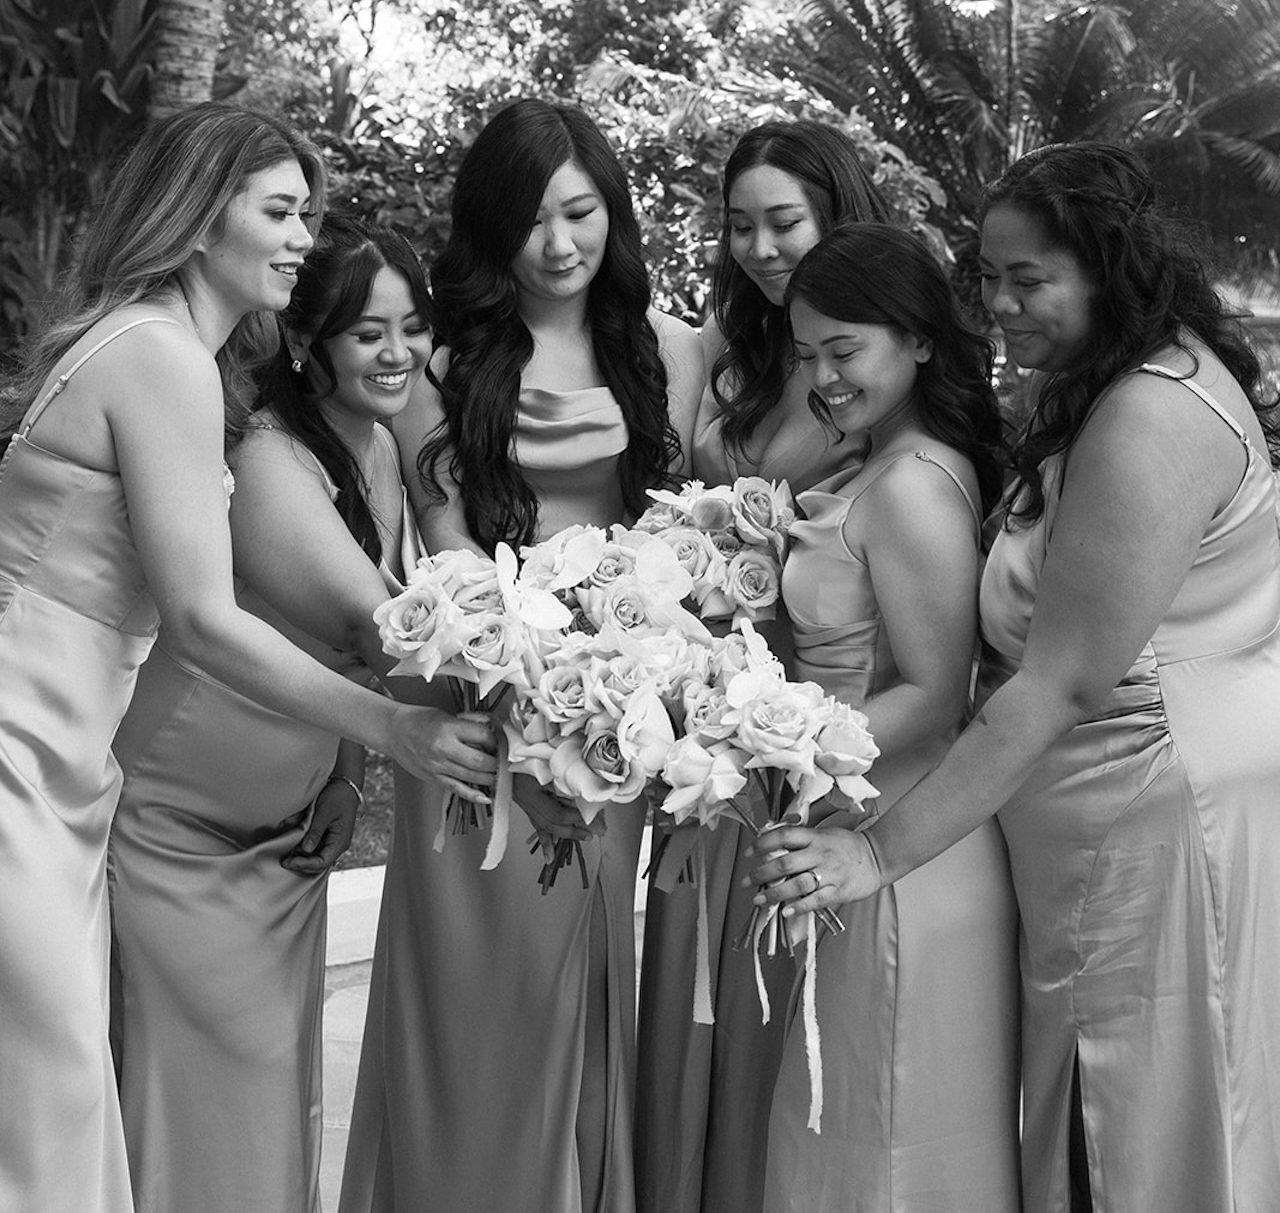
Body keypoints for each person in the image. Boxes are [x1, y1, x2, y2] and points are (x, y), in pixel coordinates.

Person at [755, 145, 1280, 1213]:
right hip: (1106, 823)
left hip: (1155, 823)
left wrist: (873, 853)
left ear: (1106, 265)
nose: (995, 304)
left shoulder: (1149, 415)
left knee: (1143, 1132)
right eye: (986, 277)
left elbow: (1057, 688)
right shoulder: (1115, 384)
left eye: (1025, 278)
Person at [0, 105, 494, 1213]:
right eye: (278, 212)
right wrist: (392, 730)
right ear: (192, 219)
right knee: (52, 1093)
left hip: (64, 761)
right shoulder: (160, 358)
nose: (299, 241)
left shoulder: (165, 353)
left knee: (50, 1090)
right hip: (18, 754)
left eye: (304, 216)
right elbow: (204, 620)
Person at [339, 98, 704, 1213]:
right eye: (532, 221)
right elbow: (448, 550)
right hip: (481, 699)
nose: (558, 245)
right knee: (470, 992)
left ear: (612, 213)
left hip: (616, 711)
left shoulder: (668, 350)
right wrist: (530, 695)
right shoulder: (441, 362)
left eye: (581, 213)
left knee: (576, 981)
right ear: (491, 229)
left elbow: (672, 537)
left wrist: (626, 686)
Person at [110, 213, 477, 1213]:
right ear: (311, 340)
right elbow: (383, 632)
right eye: (369, 332)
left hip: (282, 830)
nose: (399, 354)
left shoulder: (380, 448)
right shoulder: (274, 458)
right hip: (179, 829)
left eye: (413, 328)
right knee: (195, 1104)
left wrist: (345, 777)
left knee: (270, 1099)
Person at [635, 119, 891, 1213]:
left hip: (813, 735)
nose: (758, 246)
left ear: (836, 214)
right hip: (707, 736)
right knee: (688, 987)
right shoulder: (724, 349)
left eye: (782, 221)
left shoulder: (874, 371)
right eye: (737, 225)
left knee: (771, 1008)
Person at [748, 221, 1020, 1212]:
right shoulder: (866, 463)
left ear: (915, 338)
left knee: (886, 1135)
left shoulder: (909, 487)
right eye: (805, 350)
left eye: (841, 349)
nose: (819, 373)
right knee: (851, 1118)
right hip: (846, 816)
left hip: (901, 834)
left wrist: (773, 734)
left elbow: (935, 689)